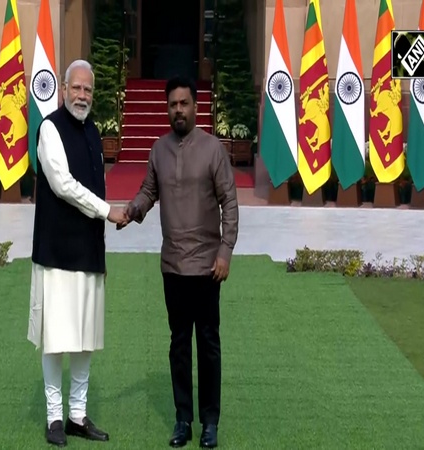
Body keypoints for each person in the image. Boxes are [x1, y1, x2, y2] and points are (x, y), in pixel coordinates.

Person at [119, 76, 239, 448]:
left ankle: (210, 422)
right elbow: (149, 191)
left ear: (196, 107)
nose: (178, 110)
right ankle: (183, 419)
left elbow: (229, 204)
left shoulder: (213, 149)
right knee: (178, 343)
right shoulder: (158, 149)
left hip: (207, 267)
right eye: (172, 105)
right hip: (172, 266)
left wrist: (225, 251)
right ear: (167, 109)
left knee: (208, 344)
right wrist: (133, 210)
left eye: (184, 104)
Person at [28, 59, 127, 447]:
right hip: (55, 249)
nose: (83, 95)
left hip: (88, 249)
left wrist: (106, 215)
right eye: (77, 88)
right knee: (55, 337)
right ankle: (54, 417)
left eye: (88, 89)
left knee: (85, 337)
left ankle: (77, 415)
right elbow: (63, 184)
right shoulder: (49, 128)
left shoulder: (93, 132)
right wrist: (108, 210)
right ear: (64, 89)